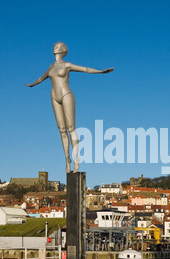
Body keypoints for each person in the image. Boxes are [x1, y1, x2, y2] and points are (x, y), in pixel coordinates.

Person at [26, 42, 114, 173]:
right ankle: (67, 160)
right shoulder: (50, 67)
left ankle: (76, 160)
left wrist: (101, 72)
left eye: (57, 46)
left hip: (66, 95)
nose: (54, 47)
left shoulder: (67, 65)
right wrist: (32, 84)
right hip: (54, 97)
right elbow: (41, 78)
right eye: (54, 46)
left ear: (62, 50)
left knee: (71, 128)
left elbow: (85, 69)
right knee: (61, 130)